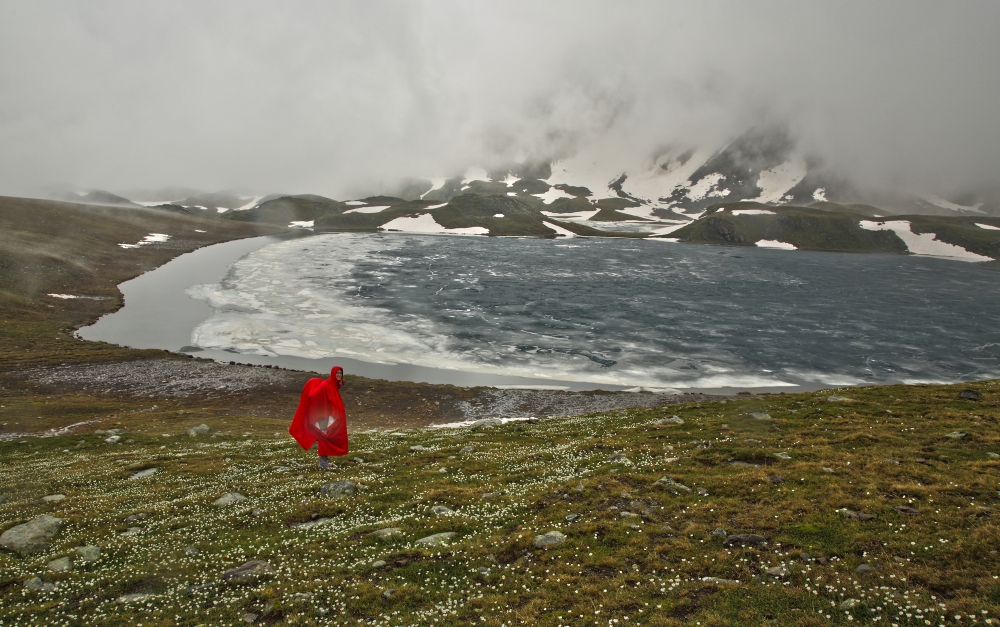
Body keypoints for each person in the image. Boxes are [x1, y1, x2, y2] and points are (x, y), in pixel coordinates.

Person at [289, 366, 348, 469]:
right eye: (337, 373)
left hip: (329, 416)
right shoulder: (327, 385)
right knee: (325, 438)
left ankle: (324, 463)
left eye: (340, 373)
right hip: (326, 416)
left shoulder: (333, 385)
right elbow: (313, 395)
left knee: (327, 438)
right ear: (332, 374)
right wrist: (321, 412)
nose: (339, 375)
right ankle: (323, 465)